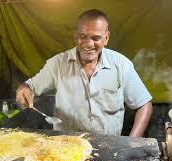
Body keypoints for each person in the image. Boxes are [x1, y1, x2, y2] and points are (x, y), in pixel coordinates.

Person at [16, 9, 152, 137]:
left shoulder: (121, 65)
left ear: (106, 38)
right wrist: (23, 91)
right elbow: (29, 87)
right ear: (75, 37)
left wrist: (132, 140)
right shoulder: (57, 64)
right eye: (83, 36)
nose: (88, 44)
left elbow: (144, 105)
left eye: (96, 38)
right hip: (65, 147)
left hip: (109, 147)